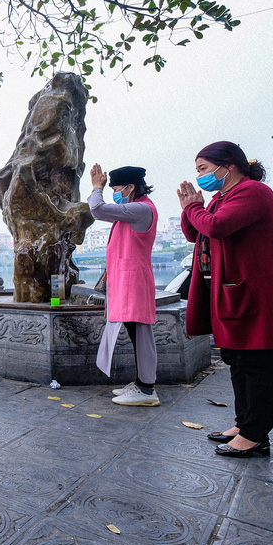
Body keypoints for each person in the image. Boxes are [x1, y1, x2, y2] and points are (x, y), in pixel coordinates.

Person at [178, 142, 273, 458]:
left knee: (255, 363)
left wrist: (194, 208)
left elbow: (217, 225)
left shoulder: (253, 192)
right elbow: (196, 233)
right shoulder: (221, 198)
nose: (200, 176)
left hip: (251, 293)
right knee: (236, 361)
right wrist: (192, 206)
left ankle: (255, 435)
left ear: (228, 166)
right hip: (229, 291)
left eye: (203, 169)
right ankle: (243, 424)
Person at [88, 164, 160, 406]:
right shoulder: (133, 211)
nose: (115, 196)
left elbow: (97, 209)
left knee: (140, 333)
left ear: (130, 187)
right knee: (133, 330)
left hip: (134, 282)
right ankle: (141, 384)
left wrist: (96, 187)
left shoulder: (141, 208)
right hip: (126, 282)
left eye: (117, 190)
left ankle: (147, 390)